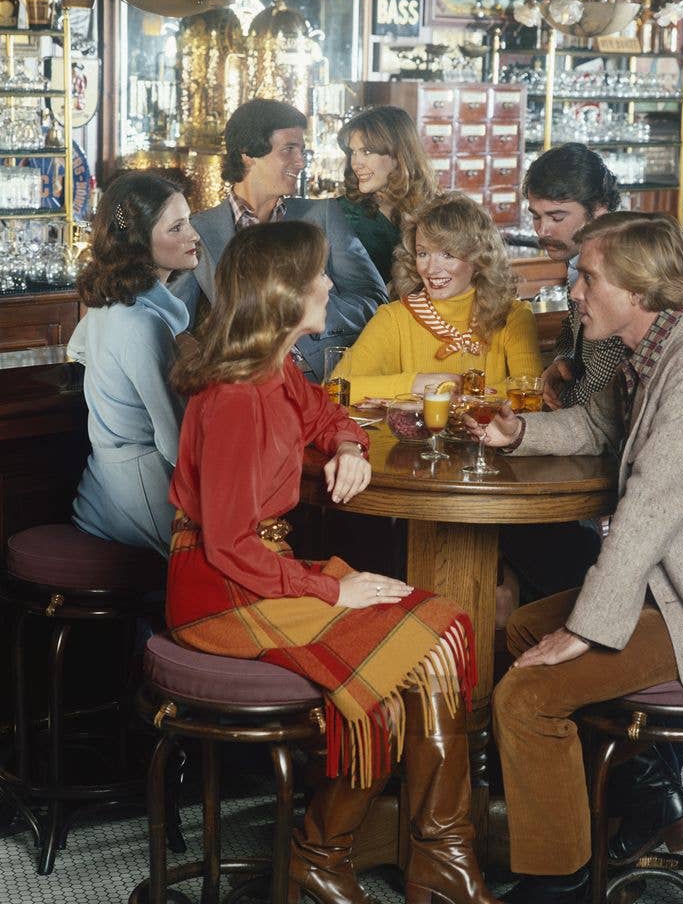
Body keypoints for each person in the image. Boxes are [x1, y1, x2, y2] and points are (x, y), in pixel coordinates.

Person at [167, 220, 500, 904]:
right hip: (220, 592)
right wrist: (328, 591)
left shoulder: (278, 369)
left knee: (442, 628)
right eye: (317, 275)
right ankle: (325, 854)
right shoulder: (234, 398)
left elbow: (329, 416)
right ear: (284, 294)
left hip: (265, 572)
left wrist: (348, 446)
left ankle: (437, 862)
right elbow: (228, 546)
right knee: (428, 639)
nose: (328, 285)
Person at [478, 212, 683, 904]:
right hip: (667, 591)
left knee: (525, 696)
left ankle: (560, 883)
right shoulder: (646, 350)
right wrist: (518, 432)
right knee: (523, 629)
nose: (573, 292)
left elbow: (648, 513)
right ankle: (625, 806)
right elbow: (595, 426)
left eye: (588, 278)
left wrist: (586, 629)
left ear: (638, 288)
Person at [169, 98, 387, 381]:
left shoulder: (323, 214)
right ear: (248, 153)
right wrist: (198, 352)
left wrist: (306, 313)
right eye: (288, 149)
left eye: (302, 151)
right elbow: (170, 315)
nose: (301, 161)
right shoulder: (201, 229)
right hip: (245, 382)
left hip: (322, 376)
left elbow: (374, 299)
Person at [68, 171, 199, 557]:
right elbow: (176, 442)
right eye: (176, 227)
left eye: (189, 221)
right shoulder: (141, 323)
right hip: (142, 495)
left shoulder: (112, 303)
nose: (193, 235)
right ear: (140, 243)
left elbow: (78, 349)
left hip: (104, 483)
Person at [333, 191, 542, 400]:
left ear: (479, 258)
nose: (431, 269)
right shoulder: (394, 318)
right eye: (423, 253)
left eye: (448, 254)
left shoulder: (514, 316)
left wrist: (461, 393)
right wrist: (417, 383)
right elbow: (336, 388)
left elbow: (530, 393)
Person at [524, 143, 627, 411]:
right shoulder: (578, 257)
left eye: (557, 217)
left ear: (599, 211)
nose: (542, 231)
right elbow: (572, 330)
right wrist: (563, 360)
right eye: (536, 217)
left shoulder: (618, 273)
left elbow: (595, 402)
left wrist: (551, 402)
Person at [330, 104, 440, 284]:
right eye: (353, 152)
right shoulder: (341, 215)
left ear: (398, 154)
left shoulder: (435, 209)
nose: (356, 164)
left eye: (366, 152)